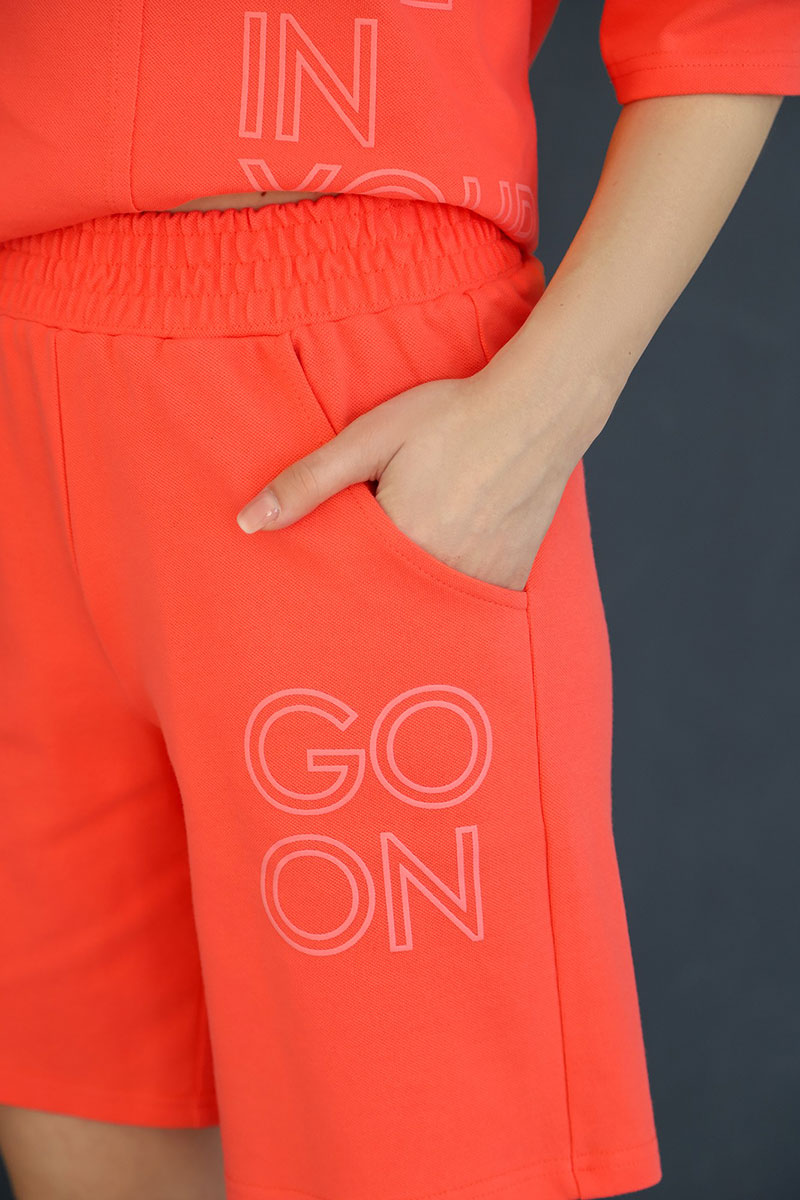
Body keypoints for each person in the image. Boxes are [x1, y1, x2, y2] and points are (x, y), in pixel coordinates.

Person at [0, 2, 797, 1198]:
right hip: (21, 391)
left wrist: (544, 407)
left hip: (343, 392)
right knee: (90, 1118)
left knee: (428, 1153)